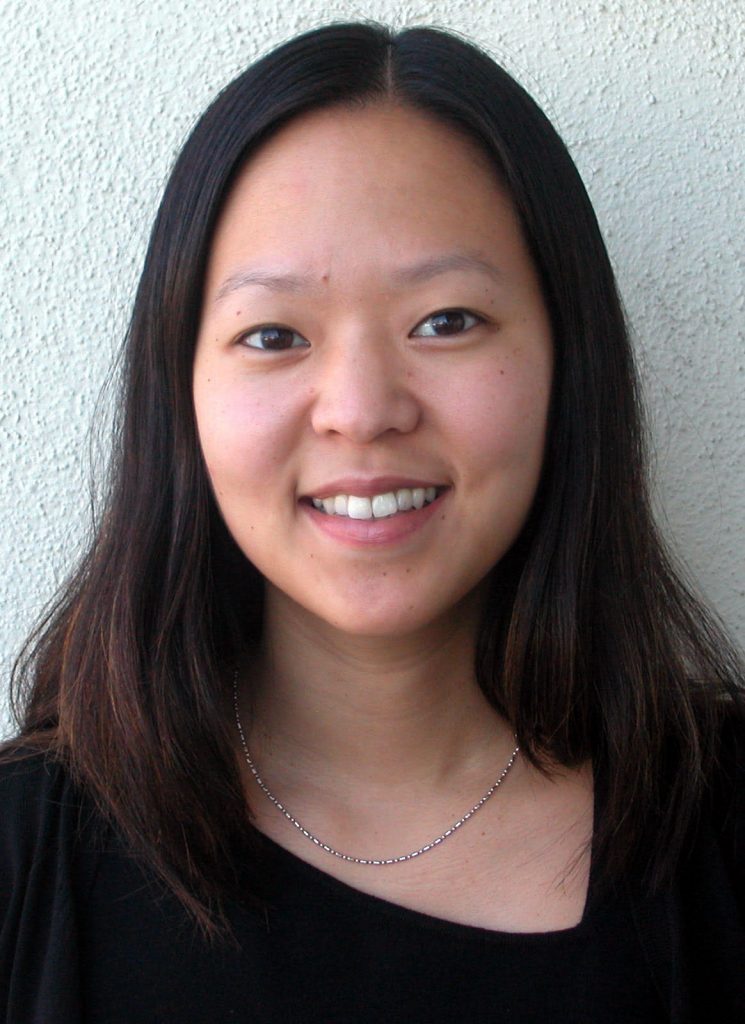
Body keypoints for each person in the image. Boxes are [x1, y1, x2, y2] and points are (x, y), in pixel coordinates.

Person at [1, 20, 743, 1023]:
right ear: (179, 396)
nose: (359, 406)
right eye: (273, 335)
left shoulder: (722, 822)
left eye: (445, 320)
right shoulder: (24, 860)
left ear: (570, 364)